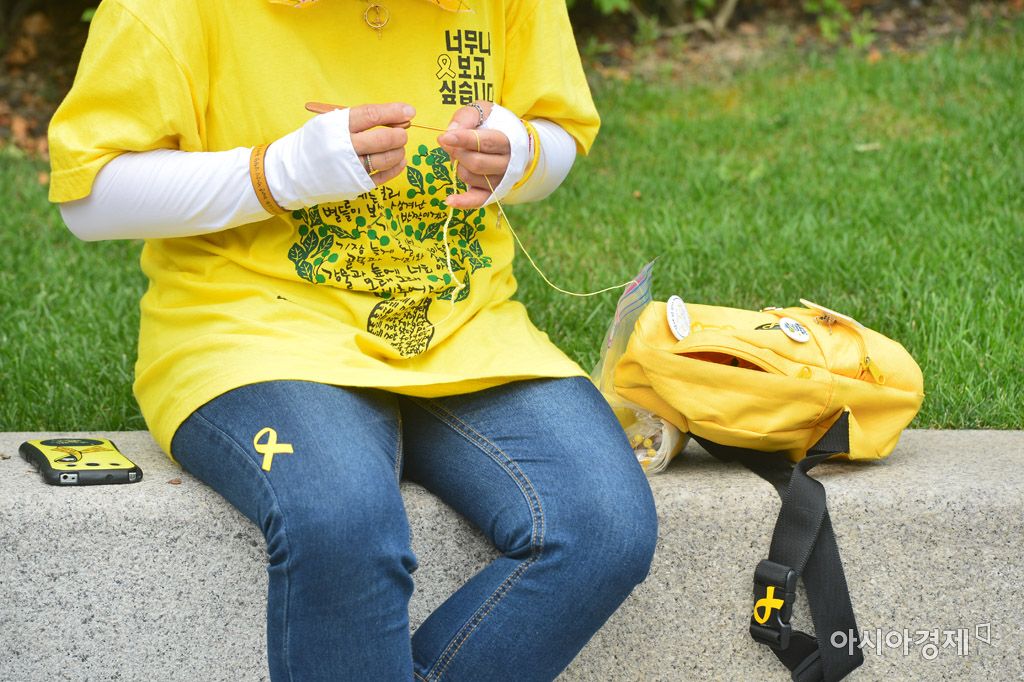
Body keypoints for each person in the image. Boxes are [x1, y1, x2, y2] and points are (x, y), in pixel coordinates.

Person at [47, 0, 659, 679]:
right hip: (254, 330)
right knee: (342, 522)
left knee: (605, 526)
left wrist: (519, 154)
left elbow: (557, 136)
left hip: (467, 328)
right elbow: (88, 198)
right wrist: (280, 173)